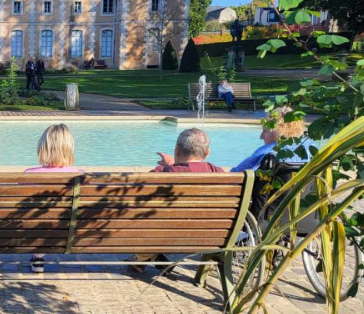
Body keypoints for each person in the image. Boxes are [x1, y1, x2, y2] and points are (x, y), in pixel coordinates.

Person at [131, 129, 223, 273]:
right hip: (212, 237)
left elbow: (138, 195)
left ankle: (144, 256)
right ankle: (147, 257)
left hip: (169, 236)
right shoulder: (219, 174)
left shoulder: (164, 173)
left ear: (177, 150)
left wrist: (168, 166)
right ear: (207, 153)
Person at [25, 124, 84, 273]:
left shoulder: (28, 174)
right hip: (69, 231)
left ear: (43, 147)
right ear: (69, 148)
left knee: (36, 218)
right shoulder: (81, 175)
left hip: (34, 230)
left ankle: (38, 256)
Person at [232, 109, 313, 172]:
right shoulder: (312, 150)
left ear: (279, 131)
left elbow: (236, 174)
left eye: (265, 131)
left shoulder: (269, 151)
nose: (261, 136)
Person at [153, 128, 224, 173]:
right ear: (207, 153)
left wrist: (172, 164)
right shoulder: (218, 172)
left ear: (177, 151)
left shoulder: (161, 173)